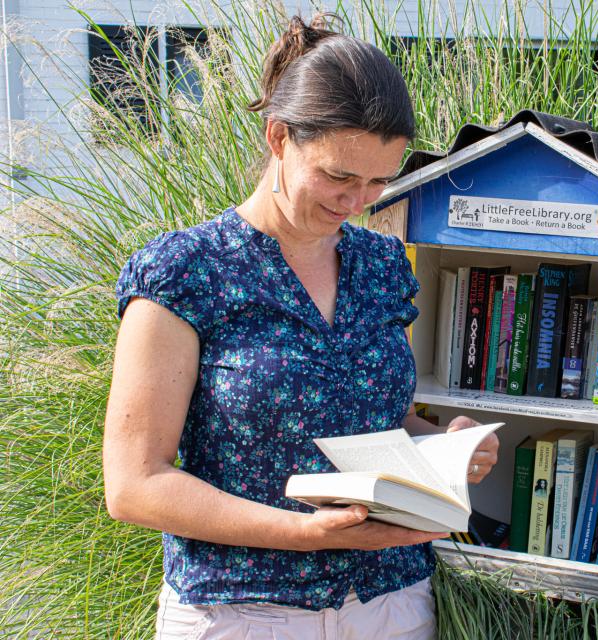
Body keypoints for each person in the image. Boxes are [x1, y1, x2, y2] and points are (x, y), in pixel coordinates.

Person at [102, 14, 499, 639]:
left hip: (393, 605)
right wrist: (303, 534)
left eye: (377, 181)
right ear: (279, 137)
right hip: (240, 613)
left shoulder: (381, 267)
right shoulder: (182, 272)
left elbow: (376, 421)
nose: (356, 200)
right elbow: (134, 485)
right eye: (339, 175)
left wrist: (443, 448)